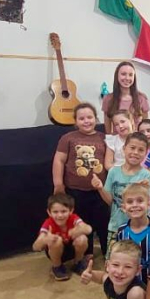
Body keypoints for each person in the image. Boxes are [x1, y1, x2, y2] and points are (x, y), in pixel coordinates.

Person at [95, 183, 150, 299]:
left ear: (149, 203)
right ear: (123, 207)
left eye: (140, 200)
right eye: (130, 202)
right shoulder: (121, 231)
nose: (135, 205)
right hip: (128, 278)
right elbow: (117, 256)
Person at [52, 102, 109, 257]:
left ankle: (108, 252)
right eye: (81, 118)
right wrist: (58, 183)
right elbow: (59, 160)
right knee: (82, 223)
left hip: (101, 190)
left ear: (96, 118)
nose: (86, 121)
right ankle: (86, 253)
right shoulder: (68, 138)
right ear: (75, 121)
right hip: (76, 190)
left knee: (104, 222)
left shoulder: (104, 137)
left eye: (89, 117)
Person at [91, 132, 150, 256]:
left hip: (138, 227)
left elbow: (146, 205)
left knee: (137, 260)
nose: (135, 152)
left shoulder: (146, 175)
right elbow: (110, 201)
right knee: (113, 259)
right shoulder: (113, 172)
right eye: (132, 148)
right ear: (124, 149)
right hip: (116, 225)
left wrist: (139, 189)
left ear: (145, 153)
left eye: (141, 150)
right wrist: (100, 188)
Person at [32, 193, 92, 280]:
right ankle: (57, 267)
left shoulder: (74, 218)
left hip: (72, 250)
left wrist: (80, 229)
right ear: (49, 212)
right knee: (57, 241)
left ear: (71, 211)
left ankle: (78, 262)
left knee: (82, 238)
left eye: (63, 211)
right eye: (55, 212)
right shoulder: (48, 224)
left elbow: (88, 229)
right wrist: (45, 240)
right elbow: (35, 247)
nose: (60, 215)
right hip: (56, 251)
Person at [102, 61, 149, 135]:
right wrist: (110, 138)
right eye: (123, 74)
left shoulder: (142, 98)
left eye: (130, 75)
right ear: (117, 76)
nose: (127, 78)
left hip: (136, 139)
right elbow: (107, 124)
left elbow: (145, 124)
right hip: (117, 139)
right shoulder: (108, 99)